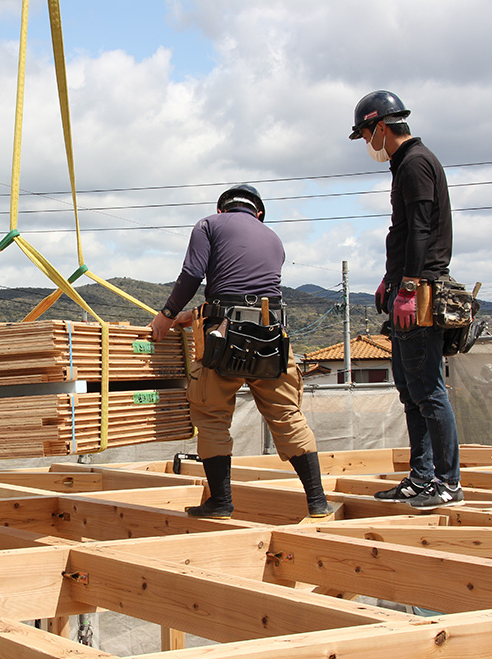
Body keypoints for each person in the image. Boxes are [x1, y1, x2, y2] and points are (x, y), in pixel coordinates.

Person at [150, 184, 335, 520]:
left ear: (223, 209)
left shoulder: (208, 225)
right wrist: (192, 315)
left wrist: (166, 316)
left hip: (223, 341)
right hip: (271, 340)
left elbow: (193, 275)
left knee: (211, 417)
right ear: (258, 213)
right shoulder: (274, 239)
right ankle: (318, 502)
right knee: (287, 416)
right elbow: (250, 295)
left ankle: (220, 502)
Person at [349, 90, 463, 510]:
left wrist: (411, 287)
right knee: (410, 390)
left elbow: (418, 229)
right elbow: (402, 232)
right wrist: (390, 278)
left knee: (428, 390)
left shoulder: (415, 163)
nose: (366, 144)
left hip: (421, 290)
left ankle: (447, 483)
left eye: (365, 134)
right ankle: (421, 477)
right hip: (406, 286)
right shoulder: (406, 165)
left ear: (381, 126)